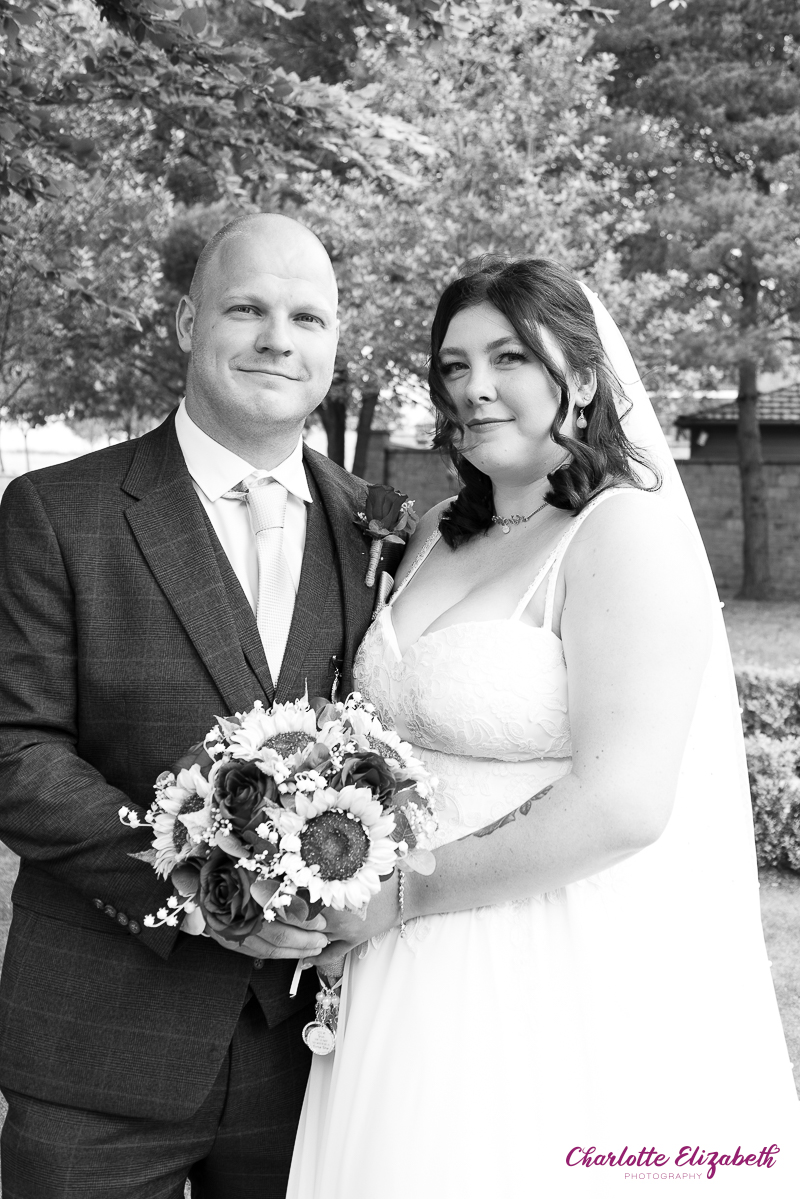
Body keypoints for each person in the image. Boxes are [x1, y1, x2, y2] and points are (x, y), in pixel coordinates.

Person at [287, 257, 800, 1198]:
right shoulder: (440, 528)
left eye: (510, 356)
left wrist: (400, 892)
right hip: (393, 967)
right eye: (451, 365)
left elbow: (624, 804)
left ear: (588, 377)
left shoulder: (623, 534)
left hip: (538, 958)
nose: (473, 388)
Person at [0, 213, 405, 1199]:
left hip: (310, 1053)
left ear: (333, 345)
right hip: (100, 1045)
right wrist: (200, 876)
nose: (278, 336)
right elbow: (16, 750)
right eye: (246, 308)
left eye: (306, 315)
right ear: (186, 323)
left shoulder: (377, 527)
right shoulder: (59, 511)